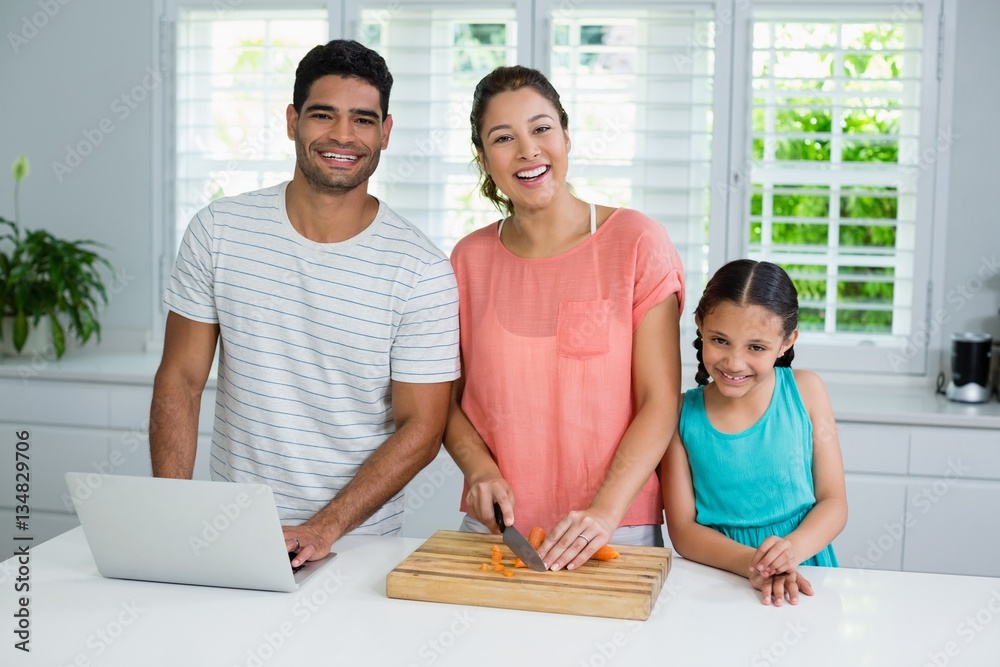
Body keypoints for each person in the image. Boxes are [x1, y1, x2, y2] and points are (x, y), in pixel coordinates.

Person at [150, 40, 460, 568]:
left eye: (363, 120)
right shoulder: (218, 230)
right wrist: (174, 512)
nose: (343, 136)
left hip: (360, 545)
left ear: (385, 133)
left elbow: (422, 429)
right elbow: (180, 378)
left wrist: (324, 528)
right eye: (324, 115)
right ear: (293, 121)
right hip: (230, 530)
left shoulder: (422, 270)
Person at [445, 65, 685, 572]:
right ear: (484, 159)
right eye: (503, 138)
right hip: (499, 534)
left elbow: (659, 401)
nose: (528, 150)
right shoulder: (467, 261)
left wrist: (604, 512)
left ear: (567, 137)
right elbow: (442, 401)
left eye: (541, 128)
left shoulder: (637, 243)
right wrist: (479, 467)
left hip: (615, 531)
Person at [661, 259, 847, 606]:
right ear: (700, 325)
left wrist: (788, 553)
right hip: (720, 578)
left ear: (787, 341)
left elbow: (834, 502)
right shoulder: (679, 414)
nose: (734, 363)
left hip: (805, 569)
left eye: (756, 347)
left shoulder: (807, 391)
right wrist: (755, 564)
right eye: (720, 340)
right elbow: (684, 532)